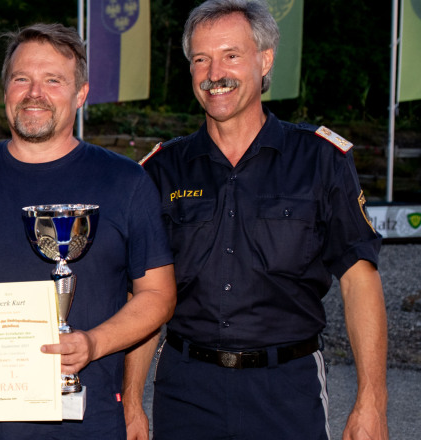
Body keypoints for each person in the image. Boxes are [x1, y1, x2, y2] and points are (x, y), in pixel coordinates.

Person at [137, 1, 389, 439]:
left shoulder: (320, 160)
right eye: (201, 59)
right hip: (185, 390)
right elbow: (142, 292)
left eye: (231, 55)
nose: (214, 72)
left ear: (265, 59)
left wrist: (372, 401)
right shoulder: (161, 171)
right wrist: (130, 401)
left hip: (286, 390)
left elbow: (359, 279)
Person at [0, 23, 177, 439]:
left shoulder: (125, 182)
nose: (35, 92)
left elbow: (158, 295)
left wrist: (93, 343)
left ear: (81, 94)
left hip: (88, 426)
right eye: (22, 79)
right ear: (5, 91)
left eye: (53, 80)